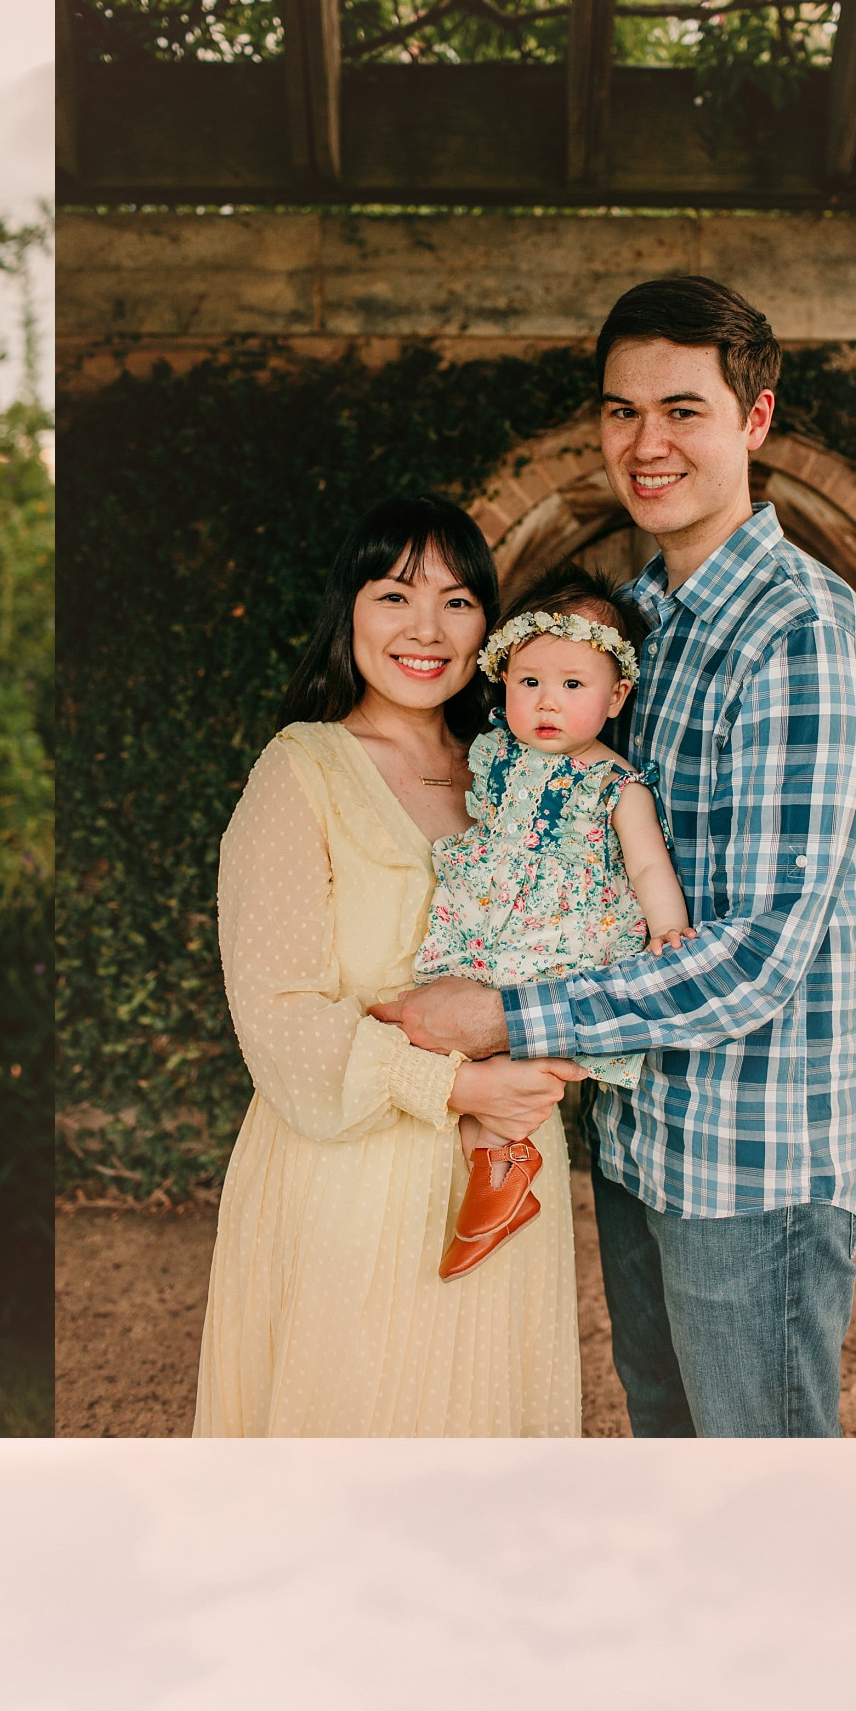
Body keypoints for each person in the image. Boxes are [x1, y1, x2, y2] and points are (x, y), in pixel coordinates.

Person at [394, 275, 856, 1439]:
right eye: (621, 411)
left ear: (753, 422)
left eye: (682, 409)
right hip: (638, 1132)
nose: (645, 441)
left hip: (752, 1159)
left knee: (755, 1484)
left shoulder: (797, 636)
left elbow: (759, 959)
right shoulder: (624, 631)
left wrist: (502, 1014)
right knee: (664, 1453)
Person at [190, 505, 584, 1439]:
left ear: (489, 627)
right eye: (395, 595)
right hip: (355, 1178)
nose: (426, 629)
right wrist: (460, 1083)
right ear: (351, 611)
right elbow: (278, 1014)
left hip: (511, 1165)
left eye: (457, 601)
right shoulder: (303, 771)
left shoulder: (516, 770)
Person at [416, 589, 687, 1278]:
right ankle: (493, 1170)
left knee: (519, 1045)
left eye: (572, 685)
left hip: (560, 937)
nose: (545, 703)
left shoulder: (617, 783)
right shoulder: (496, 755)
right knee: (461, 1037)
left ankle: (501, 1165)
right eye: (529, 682)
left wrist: (670, 926)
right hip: (486, 923)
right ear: (503, 681)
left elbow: (648, 861)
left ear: (616, 697)